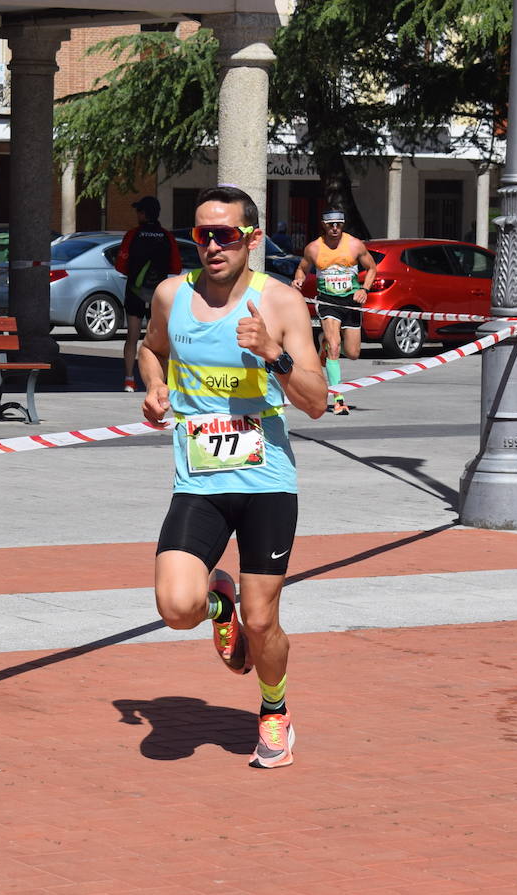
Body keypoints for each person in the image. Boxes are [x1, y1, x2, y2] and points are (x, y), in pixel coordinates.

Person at [138, 185, 326, 769]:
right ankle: (219, 606)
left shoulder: (283, 303)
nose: (213, 246)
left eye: (226, 234)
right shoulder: (172, 295)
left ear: (252, 238)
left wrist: (275, 354)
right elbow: (150, 349)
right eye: (201, 234)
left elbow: (317, 401)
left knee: (264, 619)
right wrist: (153, 385)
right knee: (174, 607)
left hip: (266, 480)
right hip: (199, 478)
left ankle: (274, 711)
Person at [291, 209, 376, 416]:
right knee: (335, 347)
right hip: (327, 301)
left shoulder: (355, 245)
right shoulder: (314, 248)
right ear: (324, 225)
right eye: (331, 225)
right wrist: (298, 280)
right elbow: (302, 268)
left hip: (351, 301)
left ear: (343, 224)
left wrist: (364, 289)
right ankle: (339, 399)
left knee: (353, 353)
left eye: (339, 224)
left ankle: (323, 344)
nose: (335, 228)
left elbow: (372, 268)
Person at [115, 195, 180, 392]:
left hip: (135, 291)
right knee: (160, 340)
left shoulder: (133, 235)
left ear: (143, 213)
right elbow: (176, 267)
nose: (136, 214)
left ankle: (129, 380)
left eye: (138, 211)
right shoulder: (167, 236)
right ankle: (162, 381)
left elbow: (120, 264)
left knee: (132, 337)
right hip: (158, 295)